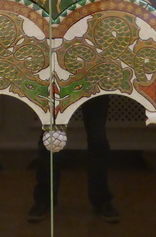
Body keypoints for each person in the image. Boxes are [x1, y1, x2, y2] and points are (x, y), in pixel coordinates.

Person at [28, 95, 118, 223]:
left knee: (97, 140)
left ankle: (101, 199)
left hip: (92, 79)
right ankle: (44, 198)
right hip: (64, 78)